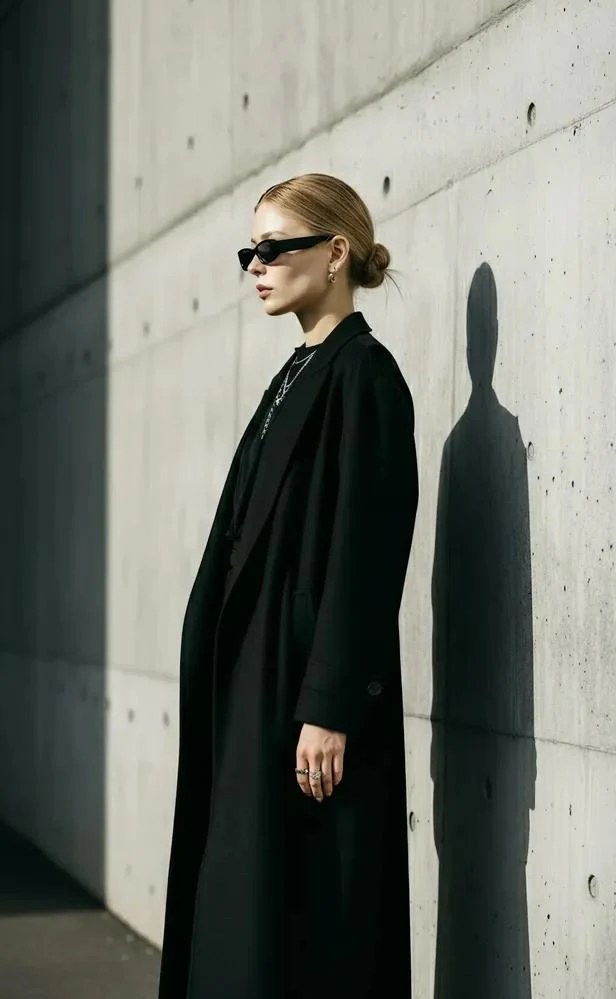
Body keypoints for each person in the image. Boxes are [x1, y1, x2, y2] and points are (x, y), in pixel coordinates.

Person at [158, 173, 419, 999]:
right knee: (243, 912)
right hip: (252, 689)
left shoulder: (365, 377)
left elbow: (367, 554)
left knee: (305, 926)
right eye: (251, 252)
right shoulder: (294, 376)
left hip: (302, 697)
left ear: (335, 252)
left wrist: (331, 704)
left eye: (275, 248)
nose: (257, 266)